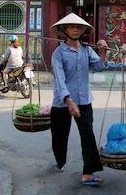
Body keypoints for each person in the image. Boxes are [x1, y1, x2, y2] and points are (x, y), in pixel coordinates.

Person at [50, 13, 109, 186]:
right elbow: (59, 80)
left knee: (88, 135)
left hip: (83, 101)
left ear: (83, 30)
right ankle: (60, 161)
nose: (75, 29)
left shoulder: (87, 50)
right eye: (70, 26)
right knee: (59, 136)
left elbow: (99, 67)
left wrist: (103, 51)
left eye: (78, 27)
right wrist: (69, 101)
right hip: (63, 102)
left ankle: (88, 173)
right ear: (64, 30)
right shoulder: (58, 53)